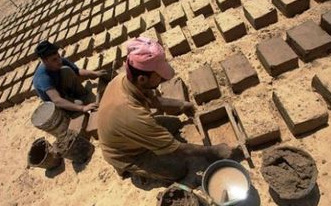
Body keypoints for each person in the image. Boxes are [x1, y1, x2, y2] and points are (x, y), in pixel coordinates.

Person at [97, 37, 242, 185]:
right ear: (142, 79)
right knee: (178, 169)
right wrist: (215, 151)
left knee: (174, 123)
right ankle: (131, 169)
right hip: (128, 153)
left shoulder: (127, 78)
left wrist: (180, 105)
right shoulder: (133, 115)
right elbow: (177, 149)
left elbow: (154, 100)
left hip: (127, 131)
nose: (162, 79)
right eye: (159, 75)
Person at [33, 40, 109, 115]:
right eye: (54, 59)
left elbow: (77, 71)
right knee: (80, 103)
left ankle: (83, 96)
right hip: (59, 105)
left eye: (58, 57)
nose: (59, 61)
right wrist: (83, 108)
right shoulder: (43, 78)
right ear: (45, 61)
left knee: (66, 70)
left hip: (63, 90)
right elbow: (57, 101)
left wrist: (94, 73)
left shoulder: (59, 61)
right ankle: (74, 108)